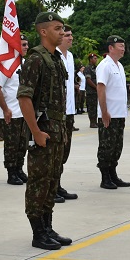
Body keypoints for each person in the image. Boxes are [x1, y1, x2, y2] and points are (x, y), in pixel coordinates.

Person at [17, 12, 71, 250]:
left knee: (52, 181)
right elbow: (24, 98)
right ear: (43, 31)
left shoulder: (56, 59)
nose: (62, 32)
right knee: (39, 181)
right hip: (45, 129)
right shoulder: (35, 59)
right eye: (57, 28)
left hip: (58, 129)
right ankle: (38, 232)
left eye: (62, 28)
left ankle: (48, 227)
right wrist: (36, 131)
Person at [0, 33, 30, 186]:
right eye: (23, 44)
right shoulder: (5, 64)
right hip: (11, 113)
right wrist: (5, 109)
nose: (26, 47)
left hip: (24, 112)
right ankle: (11, 172)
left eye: (27, 44)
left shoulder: (26, 63)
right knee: (12, 144)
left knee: (23, 144)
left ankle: (19, 169)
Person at [96, 35, 130, 189]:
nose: (123, 49)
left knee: (117, 146)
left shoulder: (119, 65)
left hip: (119, 114)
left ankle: (113, 174)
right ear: (111, 48)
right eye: (120, 46)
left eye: (124, 46)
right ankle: (105, 177)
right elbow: (101, 88)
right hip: (108, 114)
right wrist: (104, 111)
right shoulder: (105, 65)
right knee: (106, 147)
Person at [55, 25, 79, 201]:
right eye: (67, 35)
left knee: (64, 151)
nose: (70, 38)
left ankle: (57, 185)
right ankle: (51, 188)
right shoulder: (52, 55)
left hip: (69, 112)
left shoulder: (70, 57)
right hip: (57, 113)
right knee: (54, 152)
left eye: (71, 35)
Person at [84, 53, 99, 128]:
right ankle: (92, 122)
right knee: (91, 107)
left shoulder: (97, 68)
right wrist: (96, 87)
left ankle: (95, 121)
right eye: (94, 58)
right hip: (91, 91)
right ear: (90, 59)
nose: (96, 60)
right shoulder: (88, 68)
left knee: (96, 106)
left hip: (96, 91)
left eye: (96, 58)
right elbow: (88, 79)